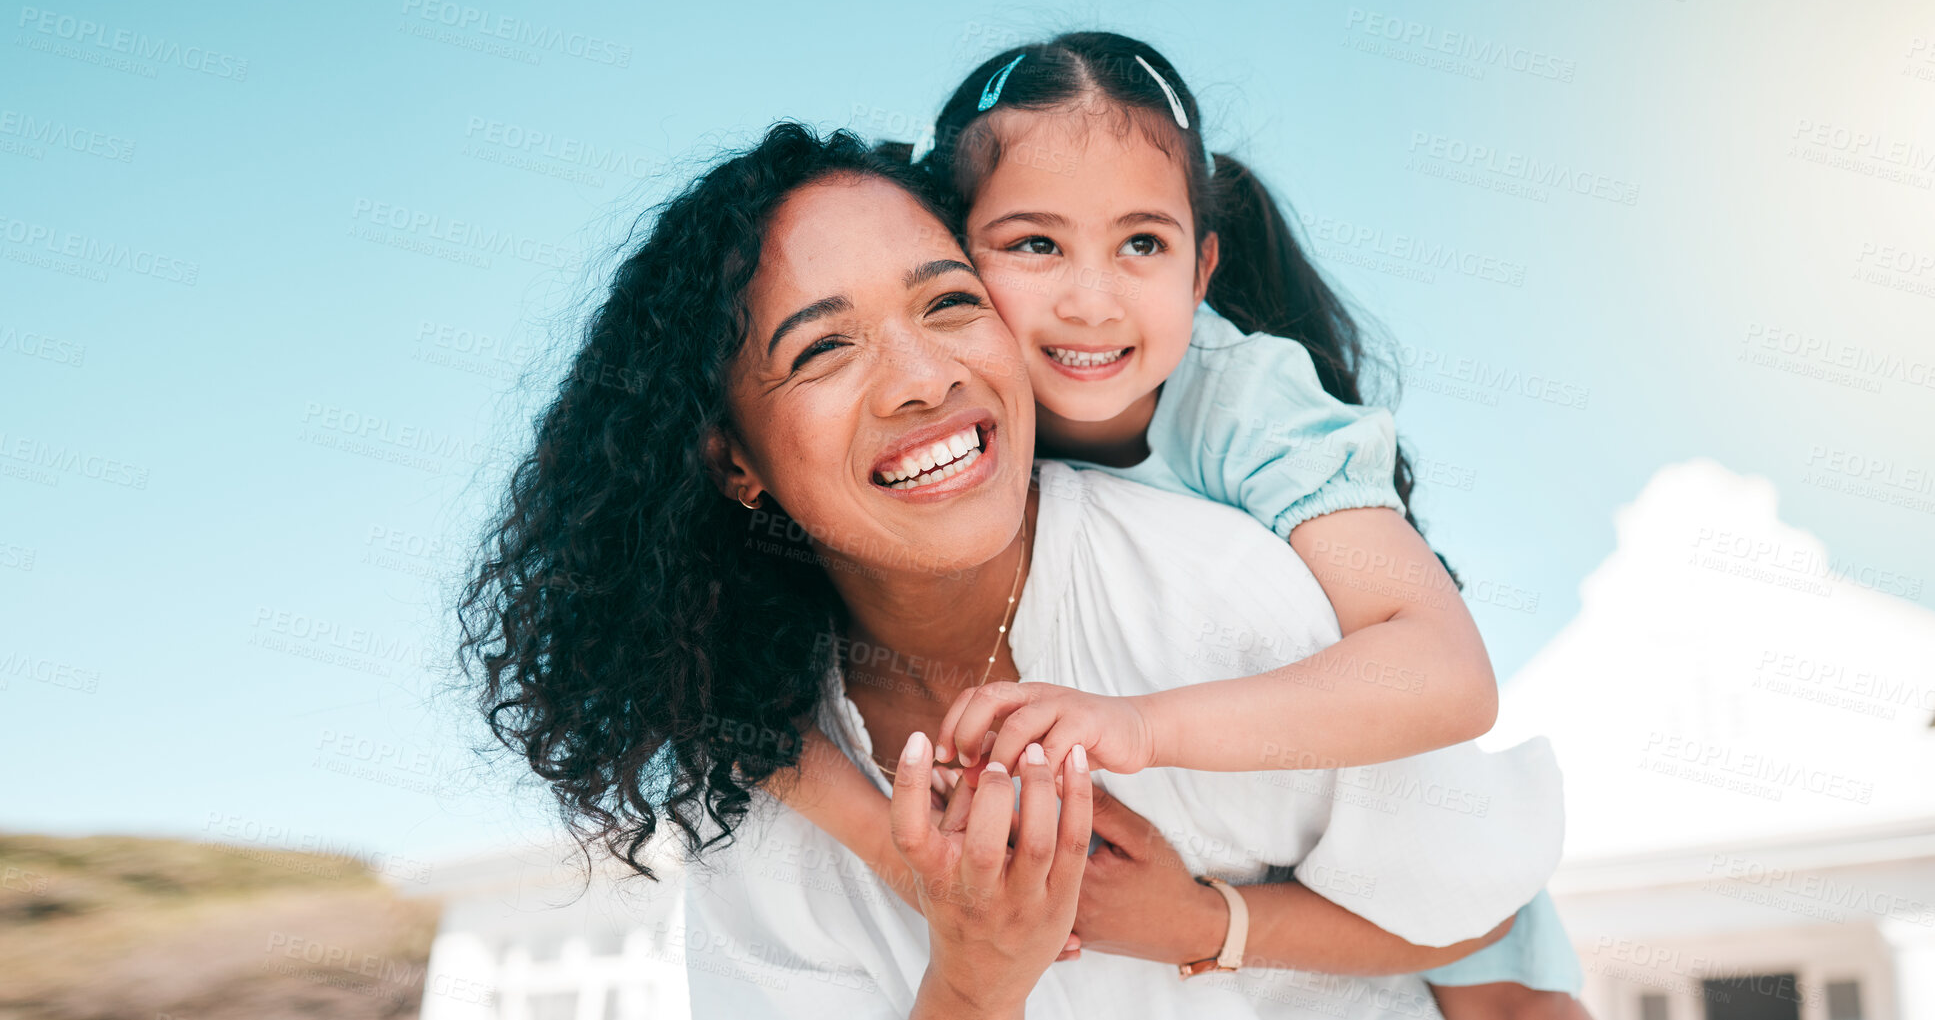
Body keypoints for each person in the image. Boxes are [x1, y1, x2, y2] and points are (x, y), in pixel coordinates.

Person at [460, 121, 1567, 1018]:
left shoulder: (1224, 592)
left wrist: (1206, 922)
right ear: (733, 461)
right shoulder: (765, 800)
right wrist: (974, 978)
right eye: (822, 348)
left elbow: (1475, 897)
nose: (919, 377)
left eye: (949, 302)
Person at [773, 32, 1588, 1017]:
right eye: (1036, 243)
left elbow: (1447, 675)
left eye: (1141, 244)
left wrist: (1141, 728)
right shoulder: (952, 428)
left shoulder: (1245, 402)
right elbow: (714, 718)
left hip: (1443, 861)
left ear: (1202, 269)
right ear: (952, 250)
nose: (1090, 299)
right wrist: (901, 856)